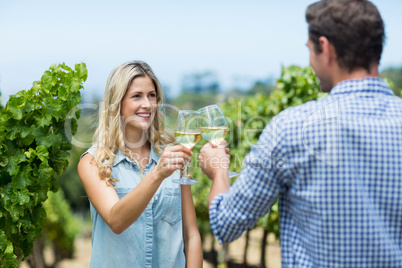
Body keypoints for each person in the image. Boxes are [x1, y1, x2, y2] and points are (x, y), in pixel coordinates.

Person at [198, 0, 402, 267]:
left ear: (325, 48)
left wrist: (218, 170)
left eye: (309, 49)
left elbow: (225, 224)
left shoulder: (291, 128)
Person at [77, 61, 203, 268]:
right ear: (117, 102)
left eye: (152, 95)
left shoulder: (173, 156)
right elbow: (116, 221)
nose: (147, 104)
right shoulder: (93, 162)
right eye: (137, 96)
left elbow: (191, 235)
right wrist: (158, 173)